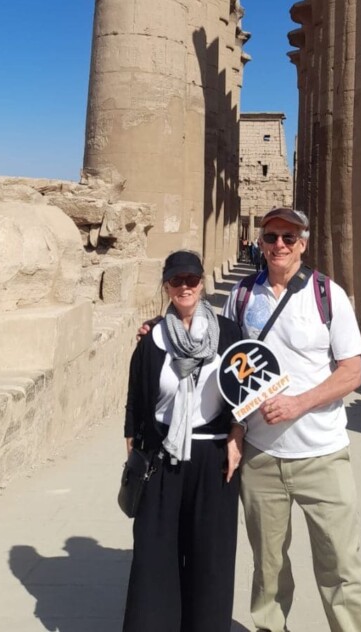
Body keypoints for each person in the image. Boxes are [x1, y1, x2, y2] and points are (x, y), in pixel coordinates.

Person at [222, 207, 361, 632]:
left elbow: (352, 371)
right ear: (261, 241)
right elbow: (230, 369)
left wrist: (299, 403)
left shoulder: (329, 295)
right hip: (262, 454)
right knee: (268, 569)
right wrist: (155, 331)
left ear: (303, 243)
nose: (280, 245)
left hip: (322, 454)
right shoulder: (242, 296)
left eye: (289, 237)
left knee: (342, 566)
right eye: (271, 237)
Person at [122, 249, 244, 632]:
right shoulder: (152, 339)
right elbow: (135, 403)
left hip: (213, 455)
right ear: (167, 285)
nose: (185, 287)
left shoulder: (228, 333)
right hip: (162, 456)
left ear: (202, 283)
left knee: (211, 555)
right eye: (177, 281)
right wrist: (134, 452)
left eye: (191, 279)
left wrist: (237, 437)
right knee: (156, 553)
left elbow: (244, 393)